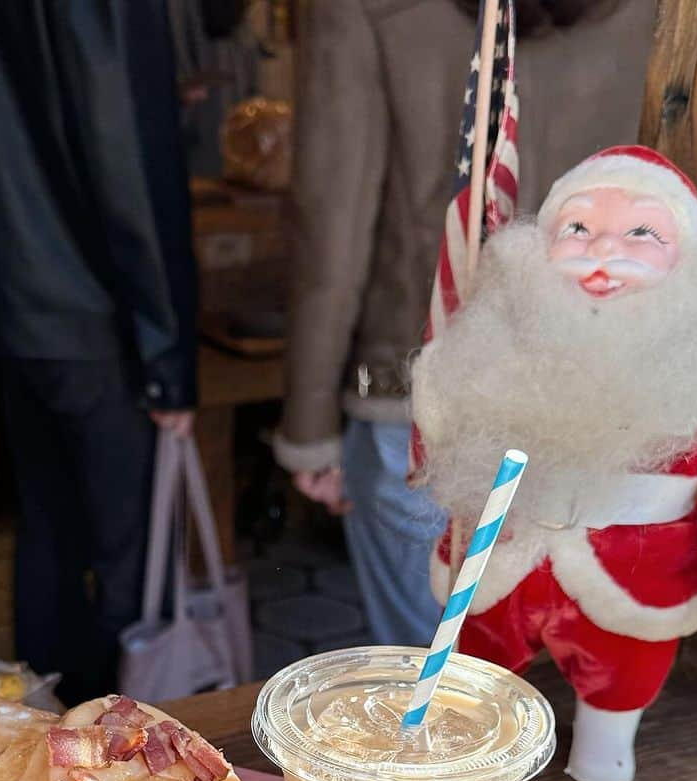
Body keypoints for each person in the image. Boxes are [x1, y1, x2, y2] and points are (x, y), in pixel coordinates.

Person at [411, 146, 697, 781]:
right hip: (500, 566)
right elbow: (454, 449)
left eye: (642, 232)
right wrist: (442, 395)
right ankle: (470, 753)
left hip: (634, 585)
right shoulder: (503, 352)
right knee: (471, 698)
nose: (602, 254)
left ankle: (604, 748)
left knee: (618, 695)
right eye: (579, 228)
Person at [272, 0, 655, 647]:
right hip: (590, 401)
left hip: (415, 400)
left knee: (422, 677)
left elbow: (330, 234)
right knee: (549, 680)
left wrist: (308, 425)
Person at [0, 0, 197, 703]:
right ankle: (120, 755)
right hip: (95, 318)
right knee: (134, 562)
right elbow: (125, 149)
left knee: (48, 532)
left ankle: (45, 737)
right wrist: (168, 363)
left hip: (6, 299)